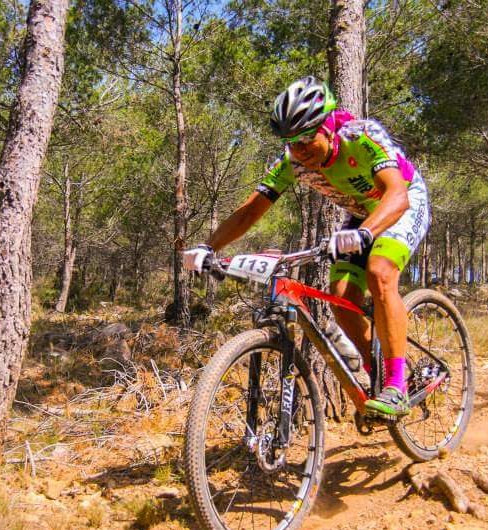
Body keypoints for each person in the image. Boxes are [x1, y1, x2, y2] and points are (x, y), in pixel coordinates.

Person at [182, 76, 430, 417]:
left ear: (327, 127)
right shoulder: (293, 162)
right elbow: (251, 210)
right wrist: (208, 247)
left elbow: (397, 194)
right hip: (362, 215)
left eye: (305, 138)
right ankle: (379, 375)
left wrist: (365, 233)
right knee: (342, 299)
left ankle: (397, 385)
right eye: (290, 142)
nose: (299, 150)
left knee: (380, 272)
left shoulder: (360, 137)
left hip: (402, 202)